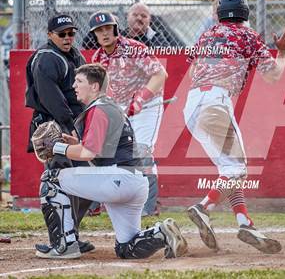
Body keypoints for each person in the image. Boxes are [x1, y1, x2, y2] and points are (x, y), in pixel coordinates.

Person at [35, 63, 188, 259]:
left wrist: (55, 147)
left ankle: (64, 245)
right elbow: (97, 149)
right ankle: (162, 233)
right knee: (127, 248)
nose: (74, 86)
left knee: (51, 179)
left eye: (79, 81)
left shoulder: (98, 109)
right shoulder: (110, 106)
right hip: (134, 183)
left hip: (118, 179)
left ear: (95, 87)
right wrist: (76, 144)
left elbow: (88, 153)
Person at [184, 0, 285, 253]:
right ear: (245, 13)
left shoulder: (208, 34)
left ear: (220, 12)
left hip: (192, 104)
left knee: (229, 169)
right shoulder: (247, 34)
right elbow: (273, 77)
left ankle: (245, 222)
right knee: (237, 170)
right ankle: (203, 208)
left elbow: (192, 70)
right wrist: (283, 52)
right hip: (216, 102)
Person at [25, 14, 95, 254]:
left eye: (71, 33)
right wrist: (70, 125)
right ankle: (62, 241)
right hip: (55, 126)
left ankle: (70, 235)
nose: (67, 38)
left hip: (75, 124)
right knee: (57, 182)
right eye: (62, 34)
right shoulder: (47, 58)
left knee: (84, 183)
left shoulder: (75, 55)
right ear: (50, 35)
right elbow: (49, 96)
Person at [90, 11, 168, 217]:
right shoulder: (97, 57)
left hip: (148, 105)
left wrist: (141, 97)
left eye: (107, 28)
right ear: (95, 35)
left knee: (142, 150)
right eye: (99, 30)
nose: (104, 33)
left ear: (116, 29)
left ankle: (149, 206)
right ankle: (101, 200)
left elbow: (160, 74)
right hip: (120, 109)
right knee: (107, 151)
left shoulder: (135, 48)